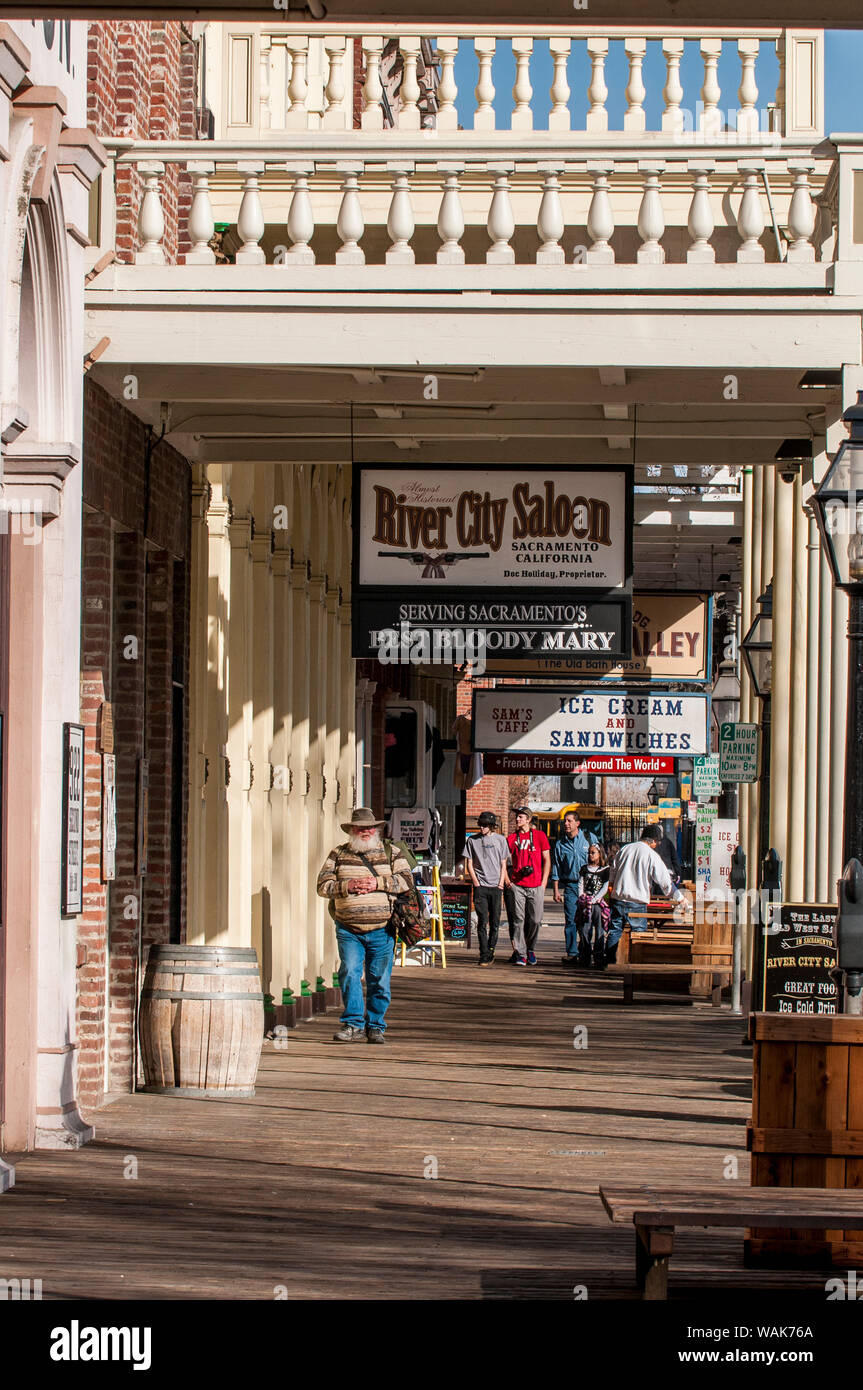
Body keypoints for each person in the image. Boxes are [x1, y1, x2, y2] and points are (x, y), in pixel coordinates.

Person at [316, 807, 414, 1044]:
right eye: (361, 828)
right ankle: (352, 1024)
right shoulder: (338, 854)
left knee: (379, 979)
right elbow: (322, 885)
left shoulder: (391, 853)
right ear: (352, 830)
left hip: (382, 928)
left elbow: (406, 880)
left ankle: (376, 1025)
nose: (366, 831)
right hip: (348, 928)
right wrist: (347, 887)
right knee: (349, 973)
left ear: (376, 829)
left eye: (370, 827)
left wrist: (376, 884)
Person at [604, 825, 685, 968]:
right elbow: (665, 882)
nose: (657, 845)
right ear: (653, 841)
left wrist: (611, 888)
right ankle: (636, 966)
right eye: (657, 842)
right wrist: (679, 898)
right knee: (639, 934)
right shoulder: (651, 855)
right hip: (637, 901)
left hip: (619, 898)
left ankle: (608, 962)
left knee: (615, 931)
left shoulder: (625, 849)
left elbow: (613, 871)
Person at [503, 806, 551, 967]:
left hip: (536, 884)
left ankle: (530, 948)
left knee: (536, 919)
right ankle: (521, 953)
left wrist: (544, 883)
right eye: (517, 817)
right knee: (518, 919)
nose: (517, 819)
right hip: (517, 885)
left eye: (521, 817)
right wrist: (506, 879)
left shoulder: (539, 836)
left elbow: (547, 860)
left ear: (529, 820)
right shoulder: (512, 839)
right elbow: (502, 859)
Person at [551, 810, 599, 964]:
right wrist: (556, 889)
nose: (566, 823)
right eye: (565, 821)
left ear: (577, 823)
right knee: (571, 920)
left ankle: (585, 951)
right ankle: (572, 953)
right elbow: (556, 867)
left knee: (587, 920)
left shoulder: (589, 838)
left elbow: (600, 859)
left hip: (588, 885)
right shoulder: (560, 844)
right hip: (571, 885)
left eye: (569, 821)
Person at [463, 812, 509, 967]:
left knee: (495, 922)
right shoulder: (472, 841)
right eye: (480, 825)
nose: (482, 827)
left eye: (485, 825)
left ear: (491, 826)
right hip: (481, 886)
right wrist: (476, 882)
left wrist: (501, 883)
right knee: (482, 922)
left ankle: (491, 949)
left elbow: (504, 863)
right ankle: (483, 953)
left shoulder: (501, 840)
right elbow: (469, 863)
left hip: (496, 887)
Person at [575, 842, 611, 969]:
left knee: (600, 930)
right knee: (584, 929)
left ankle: (599, 956)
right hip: (586, 902)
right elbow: (581, 883)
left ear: (599, 854)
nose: (590, 855)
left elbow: (605, 887)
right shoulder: (584, 869)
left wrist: (596, 899)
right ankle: (585, 955)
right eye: (589, 852)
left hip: (598, 904)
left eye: (593, 852)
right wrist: (582, 896)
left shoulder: (605, 869)